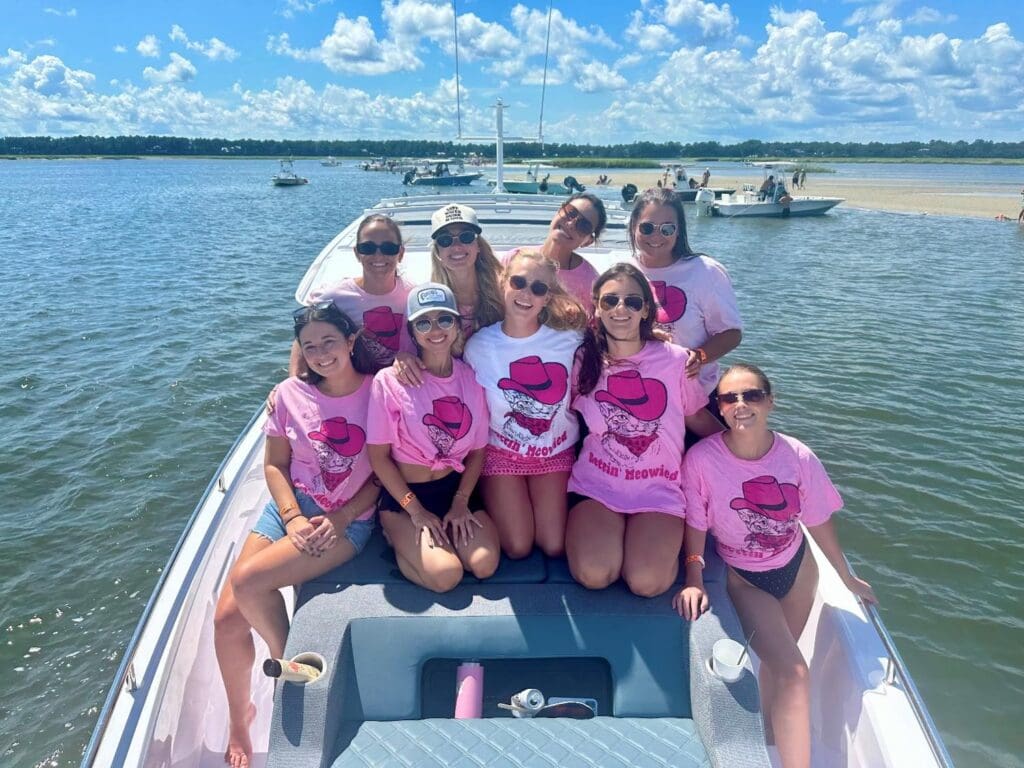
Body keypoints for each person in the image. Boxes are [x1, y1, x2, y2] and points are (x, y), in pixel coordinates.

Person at [674, 363, 877, 768]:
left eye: (751, 395)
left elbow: (818, 518)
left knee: (778, 661)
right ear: (720, 408)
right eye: (729, 398)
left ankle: (771, 731)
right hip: (744, 577)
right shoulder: (700, 461)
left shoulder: (797, 455)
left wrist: (845, 576)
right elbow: (695, 525)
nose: (741, 405)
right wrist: (694, 576)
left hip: (798, 568)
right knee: (794, 671)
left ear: (770, 401)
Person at [215, 304, 380, 768]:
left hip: (347, 520)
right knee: (226, 617)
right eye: (310, 346)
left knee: (247, 582)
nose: (321, 353)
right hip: (291, 508)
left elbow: (384, 473)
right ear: (300, 353)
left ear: (351, 342)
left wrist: (344, 517)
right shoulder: (289, 393)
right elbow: (274, 465)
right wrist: (289, 517)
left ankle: (284, 668)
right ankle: (238, 718)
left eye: (330, 341)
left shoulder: (378, 393)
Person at [566, 264, 723, 597]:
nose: (620, 309)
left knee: (646, 583)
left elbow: (697, 419)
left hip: (658, 488)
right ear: (596, 307)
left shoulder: (676, 360)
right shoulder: (582, 360)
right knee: (594, 573)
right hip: (596, 485)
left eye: (632, 302)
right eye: (610, 301)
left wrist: (748, 453)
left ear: (646, 310)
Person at [367, 283, 501, 591]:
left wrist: (461, 502)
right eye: (424, 322)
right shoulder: (388, 381)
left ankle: (441, 539)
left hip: (455, 491)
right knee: (446, 575)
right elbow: (379, 457)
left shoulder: (471, 378)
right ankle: (396, 537)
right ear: (412, 332)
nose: (435, 329)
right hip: (406, 497)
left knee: (483, 565)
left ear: (456, 326)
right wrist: (415, 511)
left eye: (444, 319)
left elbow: (478, 452)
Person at [464, 249, 588, 558]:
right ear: (504, 283)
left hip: (555, 452)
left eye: (538, 288)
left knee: (553, 545)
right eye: (519, 282)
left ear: (548, 297)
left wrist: (653, 337)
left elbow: (618, 344)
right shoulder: (478, 346)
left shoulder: (570, 339)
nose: (526, 293)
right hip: (500, 453)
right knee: (518, 546)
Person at [628, 187, 743, 421]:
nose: (656, 236)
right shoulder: (621, 270)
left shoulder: (705, 271)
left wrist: (698, 357)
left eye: (667, 228)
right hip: (637, 398)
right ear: (633, 227)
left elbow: (731, 333)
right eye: (647, 227)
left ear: (679, 231)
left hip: (694, 402)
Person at [289, 214, 412, 374]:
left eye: (388, 248)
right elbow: (305, 338)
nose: (378, 255)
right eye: (368, 248)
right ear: (357, 253)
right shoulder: (335, 297)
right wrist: (293, 384)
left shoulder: (413, 294)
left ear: (401, 253)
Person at [504, 192, 607, 314]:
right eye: (570, 212)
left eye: (583, 226)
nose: (570, 224)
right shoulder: (514, 258)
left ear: (588, 242)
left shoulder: (590, 282)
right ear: (558, 211)